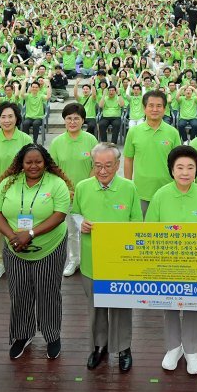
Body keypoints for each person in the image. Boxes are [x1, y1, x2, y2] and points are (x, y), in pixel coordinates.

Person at [0, 144, 72, 360]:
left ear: (45, 162)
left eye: (38, 161)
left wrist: (31, 233)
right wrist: (12, 236)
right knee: (19, 292)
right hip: (15, 248)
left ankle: (52, 335)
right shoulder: (8, 183)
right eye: (29, 162)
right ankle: (22, 335)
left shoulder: (56, 183)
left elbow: (60, 214)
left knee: (48, 293)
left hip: (50, 248)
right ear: (21, 163)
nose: (34, 166)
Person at [145, 145, 197, 375]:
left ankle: (192, 349)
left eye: (190, 168)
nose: (185, 172)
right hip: (167, 263)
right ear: (172, 170)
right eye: (180, 167)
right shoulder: (160, 195)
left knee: (196, 304)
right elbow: (149, 231)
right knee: (170, 304)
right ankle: (173, 347)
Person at [73, 143, 140, 372]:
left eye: (108, 165)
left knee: (121, 306)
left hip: (121, 260)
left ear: (118, 165)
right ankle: (98, 346)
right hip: (92, 260)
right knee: (96, 306)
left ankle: (123, 348)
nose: (103, 171)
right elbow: (75, 213)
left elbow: (136, 222)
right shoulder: (82, 187)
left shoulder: (129, 188)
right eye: (98, 165)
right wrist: (80, 223)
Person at [0, 102, 33, 281]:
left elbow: (32, 165)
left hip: (23, 191)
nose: (7, 120)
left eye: (10, 116)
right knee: (0, 227)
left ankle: (23, 255)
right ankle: (0, 262)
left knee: (22, 223)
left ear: (17, 118)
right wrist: (1, 188)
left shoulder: (25, 139)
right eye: (3, 117)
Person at [48, 102, 98, 277]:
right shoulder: (57, 142)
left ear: (83, 120)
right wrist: (66, 190)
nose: (72, 121)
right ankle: (74, 260)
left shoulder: (91, 140)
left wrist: (85, 187)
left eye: (76, 118)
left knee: (90, 228)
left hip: (89, 193)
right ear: (64, 121)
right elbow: (54, 170)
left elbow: (95, 165)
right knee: (71, 230)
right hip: (66, 194)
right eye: (69, 118)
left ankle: (90, 259)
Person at [123, 89, 181, 216]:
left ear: (164, 109)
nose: (155, 109)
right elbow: (128, 159)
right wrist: (128, 184)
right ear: (144, 108)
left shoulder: (173, 133)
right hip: (141, 191)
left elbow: (179, 161)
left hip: (167, 190)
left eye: (159, 106)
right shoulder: (134, 132)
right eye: (151, 106)